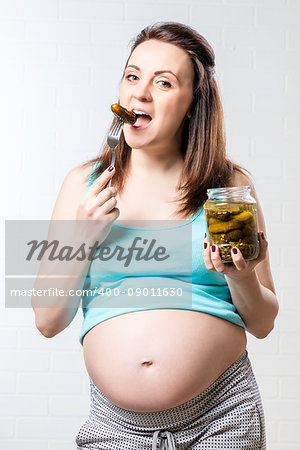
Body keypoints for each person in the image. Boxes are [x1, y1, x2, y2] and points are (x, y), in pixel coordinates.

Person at [32, 22, 279, 450]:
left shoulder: (228, 186)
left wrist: (240, 277)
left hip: (222, 415)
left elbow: (263, 323)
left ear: (191, 106)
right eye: (132, 76)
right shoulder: (81, 186)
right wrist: (82, 238)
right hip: (115, 426)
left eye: (163, 82)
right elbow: (47, 321)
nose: (140, 93)